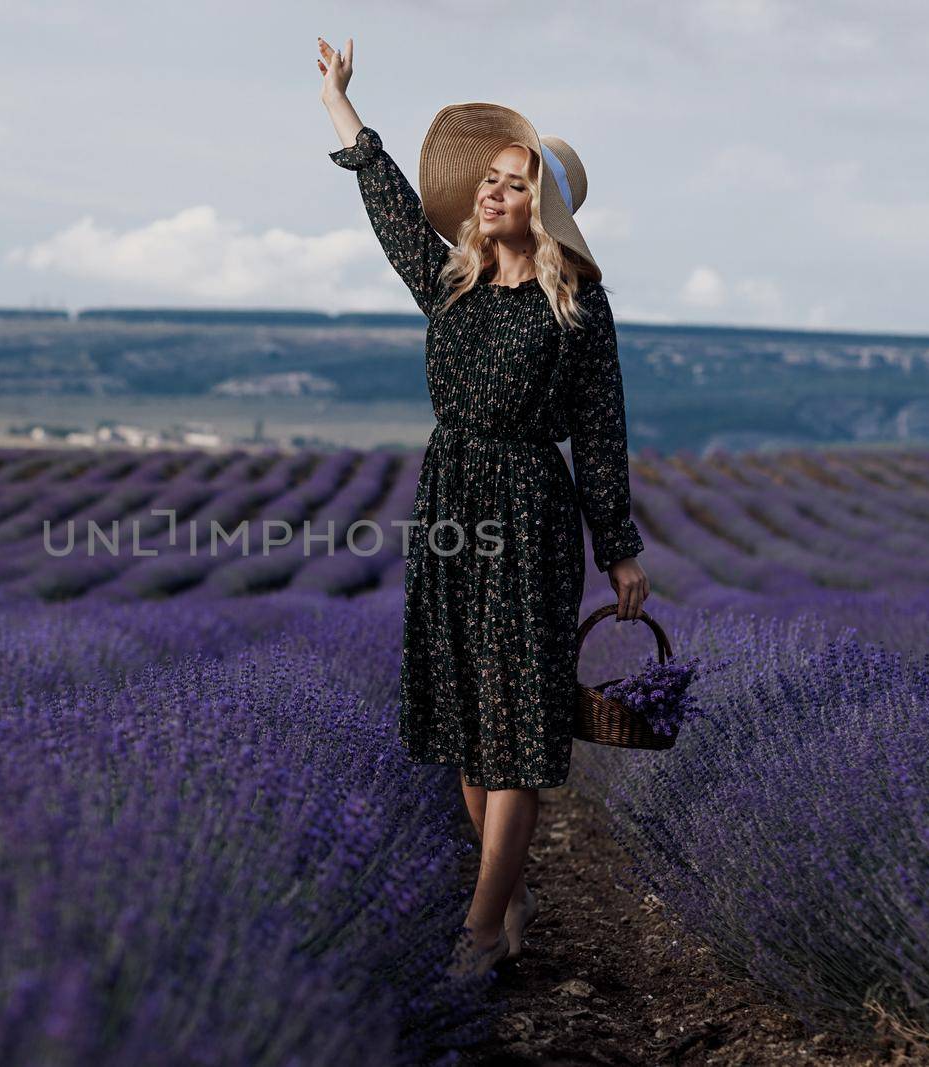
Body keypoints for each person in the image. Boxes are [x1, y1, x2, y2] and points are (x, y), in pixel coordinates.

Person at [316, 36, 651, 980]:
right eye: (490, 179)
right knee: (471, 726)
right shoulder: (451, 285)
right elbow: (385, 203)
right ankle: (506, 892)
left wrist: (618, 547)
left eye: (512, 182)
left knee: (517, 729)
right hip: (452, 503)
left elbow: (602, 431)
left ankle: (477, 931)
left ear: (540, 204)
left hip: (531, 513)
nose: (492, 192)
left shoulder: (577, 305)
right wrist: (342, 103)